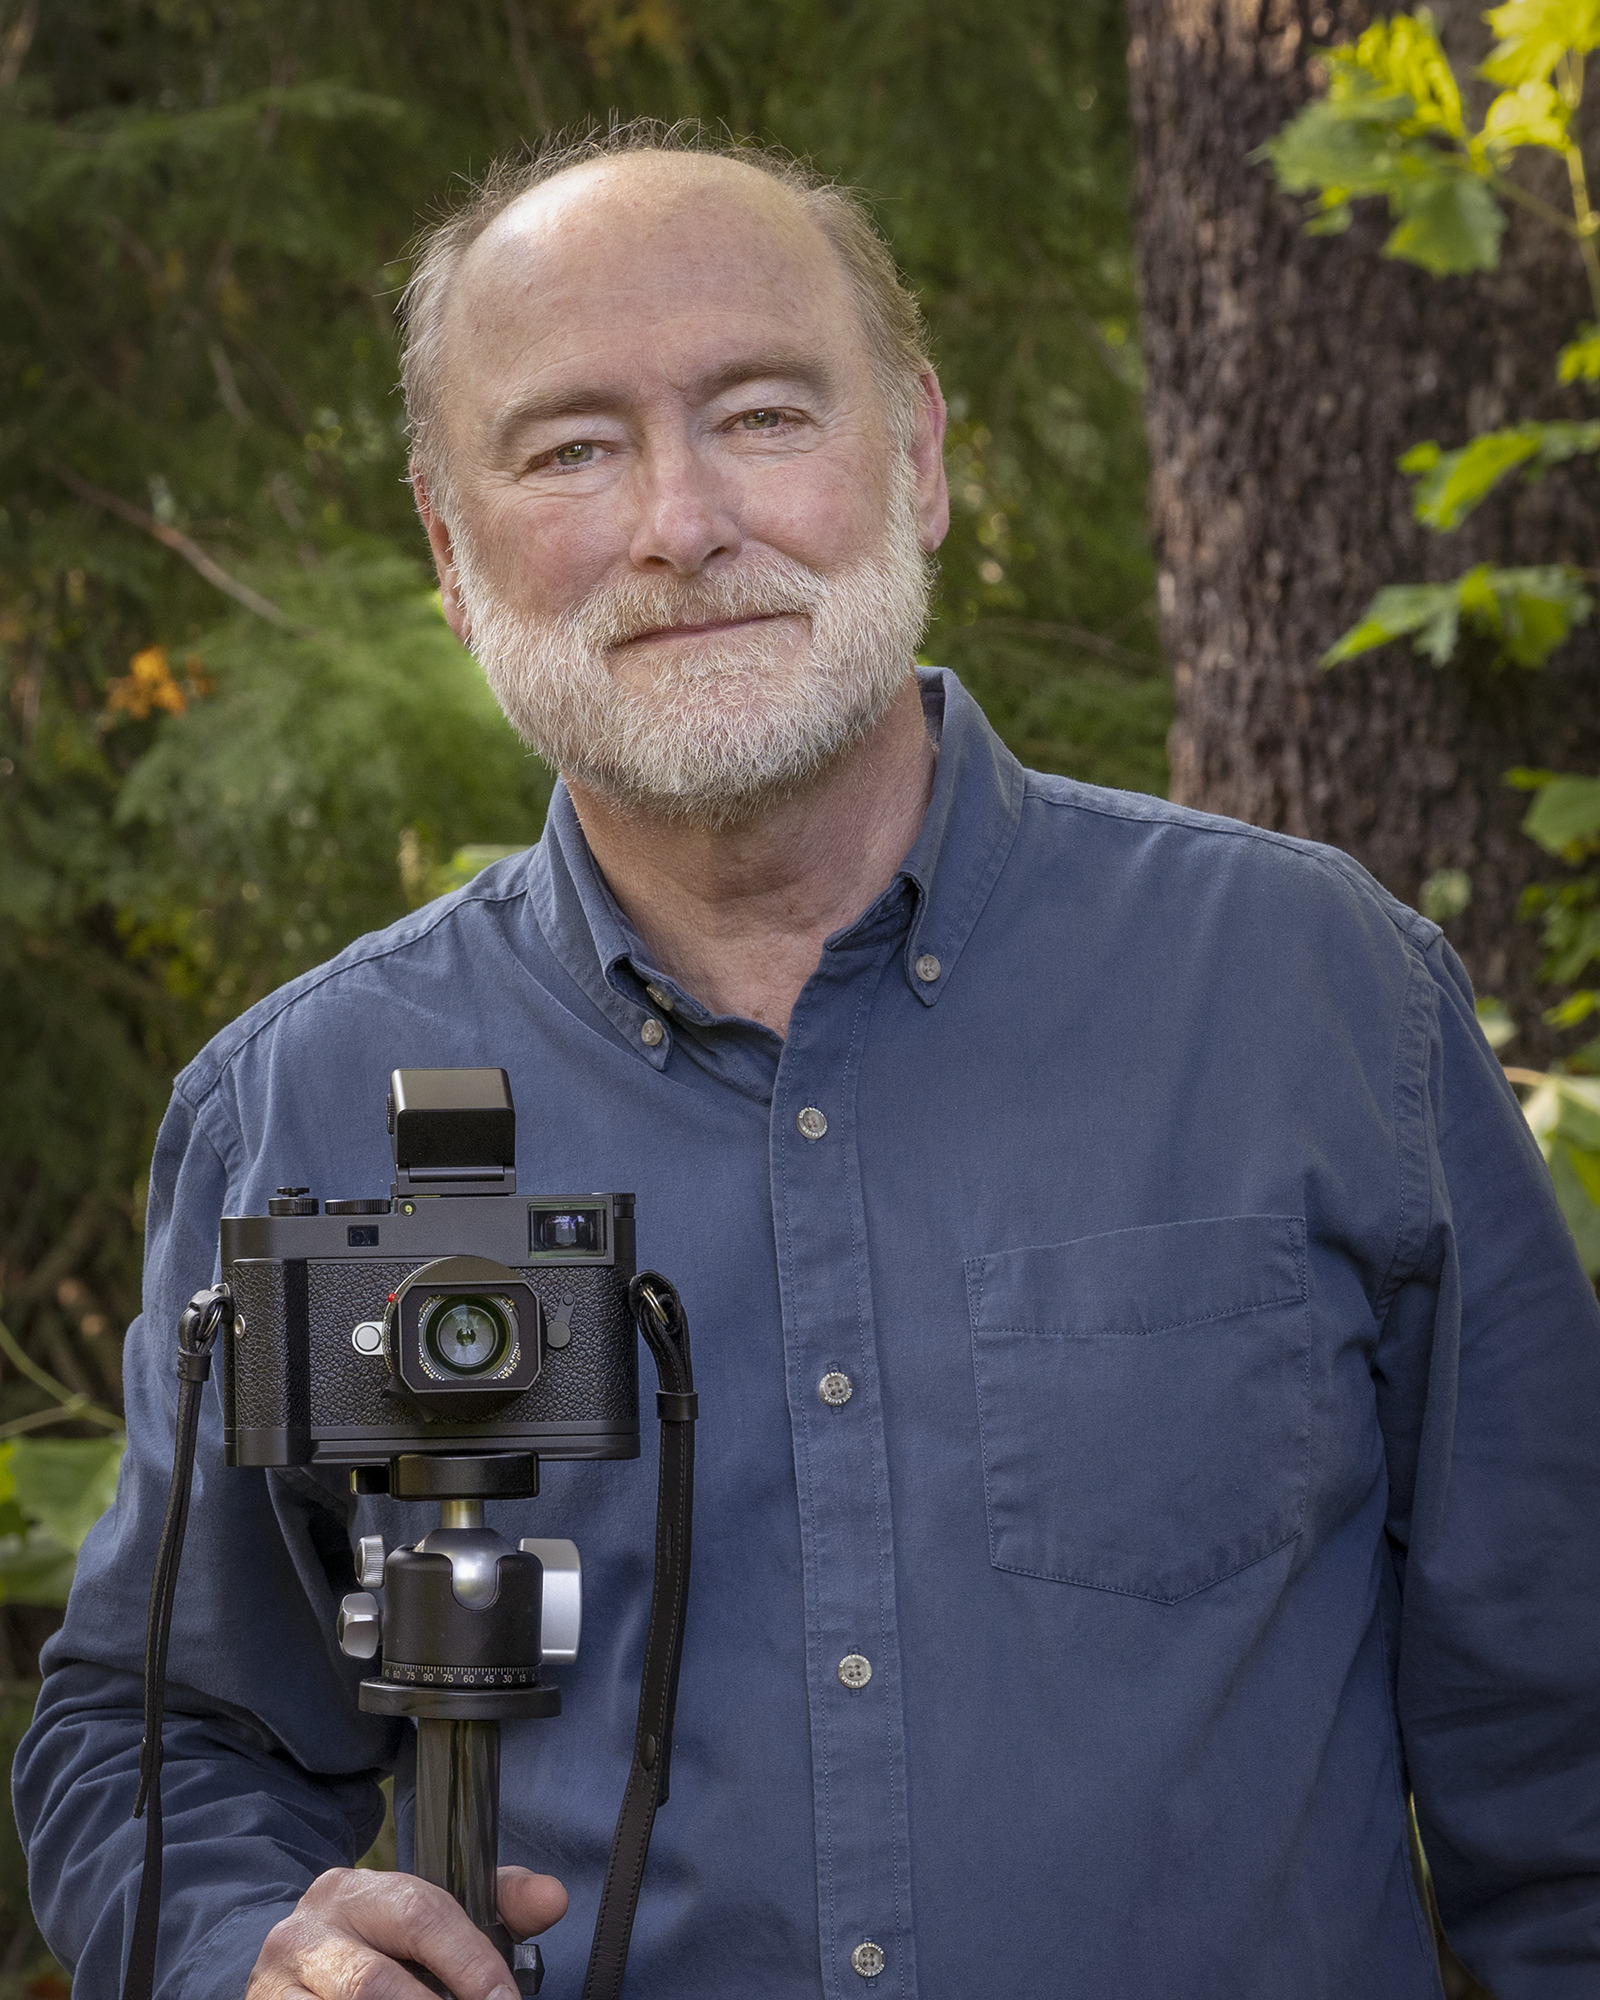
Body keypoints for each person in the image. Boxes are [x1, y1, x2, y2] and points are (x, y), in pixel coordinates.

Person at [15, 122, 1600, 2000]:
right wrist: (248, 1958)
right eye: (573, 448)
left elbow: (1565, 1776)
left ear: (920, 460)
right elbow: (162, 1755)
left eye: (763, 414)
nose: (679, 521)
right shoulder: (302, 1109)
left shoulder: (1318, 1001)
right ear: (452, 552)